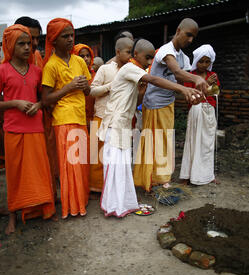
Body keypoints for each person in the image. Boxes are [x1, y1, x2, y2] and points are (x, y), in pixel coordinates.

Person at [97, 39, 202, 217]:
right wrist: (183, 89)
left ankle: (123, 204)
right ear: (135, 55)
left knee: (122, 167)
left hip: (122, 124)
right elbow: (154, 78)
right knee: (115, 167)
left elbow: (134, 102)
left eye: (151, 59)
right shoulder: (130, 68)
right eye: (147, 58)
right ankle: (113, 206)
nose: (149, 62)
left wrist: (141, 93)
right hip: (114, 124)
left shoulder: (135, 72)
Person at [0, 24, 56, 235]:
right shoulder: (1, 71)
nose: (28, 47)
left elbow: (42, 99)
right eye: (22, 44)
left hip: (35, 128)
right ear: (10, 45)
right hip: (14, 130)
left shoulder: (37, 71)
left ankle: (41, 209)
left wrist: (37, 105)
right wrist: (15, 103)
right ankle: (13, 215)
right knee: (15, 174)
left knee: (38, 172)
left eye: (29, 43)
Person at [133, 18, 208, 192]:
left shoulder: (185, 58)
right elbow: (177, 72)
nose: (190, 40)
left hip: (168, 103)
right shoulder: (166, 51)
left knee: (165, 141)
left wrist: (193, 94)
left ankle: (162, 178)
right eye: (188, 35)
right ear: (178, 30)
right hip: (153, 104)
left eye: (193, 37)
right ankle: (149, 179)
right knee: (153, 141)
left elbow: (183, 82)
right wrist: (196, 78)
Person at [41, 18, 91, 219]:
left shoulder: (79, 61)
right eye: (65, 36)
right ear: (53, 40)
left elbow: (88, 90)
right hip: (63, 120)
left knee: (81, 164)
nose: (71, 40)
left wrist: (84, 87)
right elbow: (45, 99)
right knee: (69, 165)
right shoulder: (51, 66)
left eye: (72, 35)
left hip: (80, 116)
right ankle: (72, 206)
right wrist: (69, 87)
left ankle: (81, 201)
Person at [15, 16, 60, 198]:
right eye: (28, 39)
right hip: (18, 122)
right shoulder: (6, 64)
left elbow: (44, 91)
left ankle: (46, 196)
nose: (33, 44)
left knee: (46, 159)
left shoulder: (37, 58)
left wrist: (41, 104)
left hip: (42, 117)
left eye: (36, 39)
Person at [88, 37, 133, 197]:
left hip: (118, 121)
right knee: (97, 155)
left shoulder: (130, 70)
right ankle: (96, 187)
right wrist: (110, 87)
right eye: (128, 52)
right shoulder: (106, 69)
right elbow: (92, 91)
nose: (131, 56)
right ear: (117, 52)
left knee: (113, 157)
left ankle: (111, 188)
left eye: (132, 52)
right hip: (101, 116)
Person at [180, 44, 220, 186]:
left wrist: (209, 86)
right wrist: (205, 85)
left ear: (211, 62)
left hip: (209, 111)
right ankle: (187, 175)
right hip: (196, 109)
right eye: (201, 61)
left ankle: (207, 175)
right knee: (193, 141)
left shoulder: (212, 76)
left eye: (207, 61)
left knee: (207, 143)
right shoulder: (190, 77)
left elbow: (214, 93)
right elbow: (190, 97)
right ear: (196, 60)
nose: (204, 64)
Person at [72, 43, 95, 130]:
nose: (86, 59)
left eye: (88, 56)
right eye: (82, 56)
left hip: (94, 119)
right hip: (78, 119)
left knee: (94, 143)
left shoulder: (96, 75)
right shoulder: (71, 76)